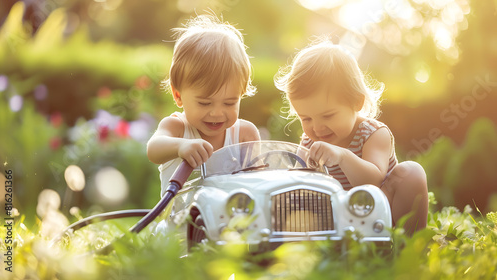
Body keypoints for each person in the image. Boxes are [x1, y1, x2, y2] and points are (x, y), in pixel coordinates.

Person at [275, 38, 428, 235]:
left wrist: (343, 156)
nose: (317, 127)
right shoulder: (309, 142)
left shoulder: (372, 133)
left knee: (412, 173)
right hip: (339, 220)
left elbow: (372, 182)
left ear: (356, 102)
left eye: (327, 115)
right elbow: (299, 187)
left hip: (382, 214)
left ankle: (408, 244)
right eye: (306, 118)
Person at [147, 15, 260, 197]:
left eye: (229, 102)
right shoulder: (177, 128)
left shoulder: (245, 135)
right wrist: (180, 147)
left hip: (231, 224)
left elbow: (257, 184)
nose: (216, 113)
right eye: (205, 103)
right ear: (178, 96)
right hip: (180, 224)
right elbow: (153, 149)